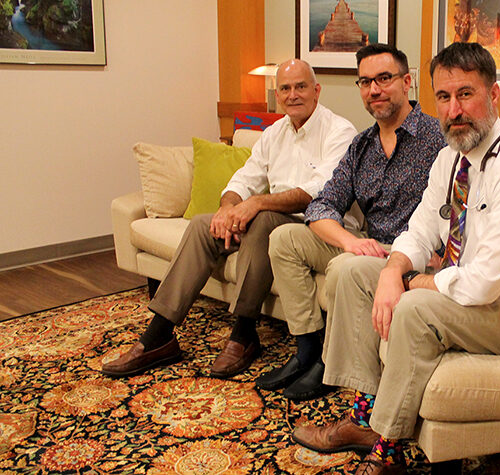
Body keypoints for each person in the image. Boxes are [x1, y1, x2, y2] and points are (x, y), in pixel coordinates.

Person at [290, 42, 500, 475]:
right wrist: (392, 271)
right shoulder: (450, 158)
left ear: (493, 96)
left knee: (416, 307)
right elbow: (420, 230)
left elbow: (481, 284)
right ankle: (365, 412)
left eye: (465, 94)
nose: (454, 109)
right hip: (468, 295)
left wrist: (410, 285)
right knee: (349, 271)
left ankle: (387, 451)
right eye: (443, 97)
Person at [101, 60, 358, 379]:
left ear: (316, 91)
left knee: (262, 220)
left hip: (313, 226)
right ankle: (159, 335)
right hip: (269, 217)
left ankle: (244, 331)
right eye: (285, 88)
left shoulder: (340, 131)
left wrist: (255, 204)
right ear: (277, 95)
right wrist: (228, 209)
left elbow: (318, 189)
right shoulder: (274, 132)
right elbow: (243, 179)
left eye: (301, 86)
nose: (293, 95)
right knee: (201, 225)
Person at [255, 43, 447, 401]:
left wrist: (445, 255)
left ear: (407, 83)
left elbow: (458, 208)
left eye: (384, 79)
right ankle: (307, 350)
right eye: (365, 82)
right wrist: (349, 241)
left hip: (413, 253)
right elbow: (322, 204)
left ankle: (333, 368)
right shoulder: (362, 146)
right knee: (284, 239)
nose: (374, 90)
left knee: (346, 267)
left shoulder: (437, 139)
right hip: (370, 247)